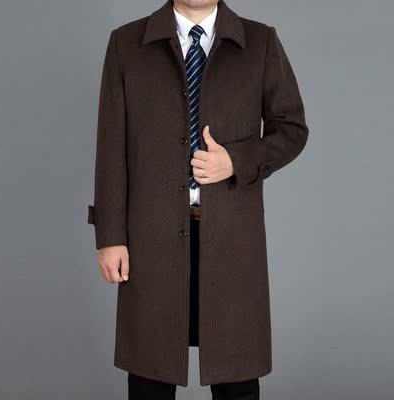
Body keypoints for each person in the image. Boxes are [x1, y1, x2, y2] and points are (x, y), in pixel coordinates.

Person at [87, 0, 309, 398]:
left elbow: (291, 129)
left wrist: (236, 161)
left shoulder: (259, 42)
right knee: (149, 379)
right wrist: (110, 236)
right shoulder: (126, 43)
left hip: (232, 240)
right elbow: (111, 147)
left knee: (237, 380)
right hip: (150, 238)